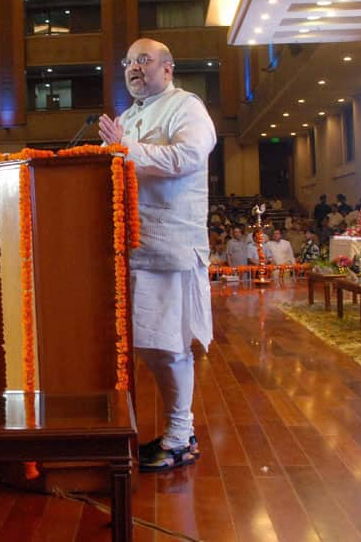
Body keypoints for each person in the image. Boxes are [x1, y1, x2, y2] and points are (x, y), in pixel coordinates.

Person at [98, 37, 215, 472]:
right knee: (150, 345)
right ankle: (177, 431)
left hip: (169, 245)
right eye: (127, 61)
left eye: (142, 60)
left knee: (167, 346)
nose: (133, 68)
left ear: (167, 68)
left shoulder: (186, 106)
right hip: (132, 247)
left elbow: (188, 155)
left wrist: (124, 150)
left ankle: (181, 435)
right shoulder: (128, 117)